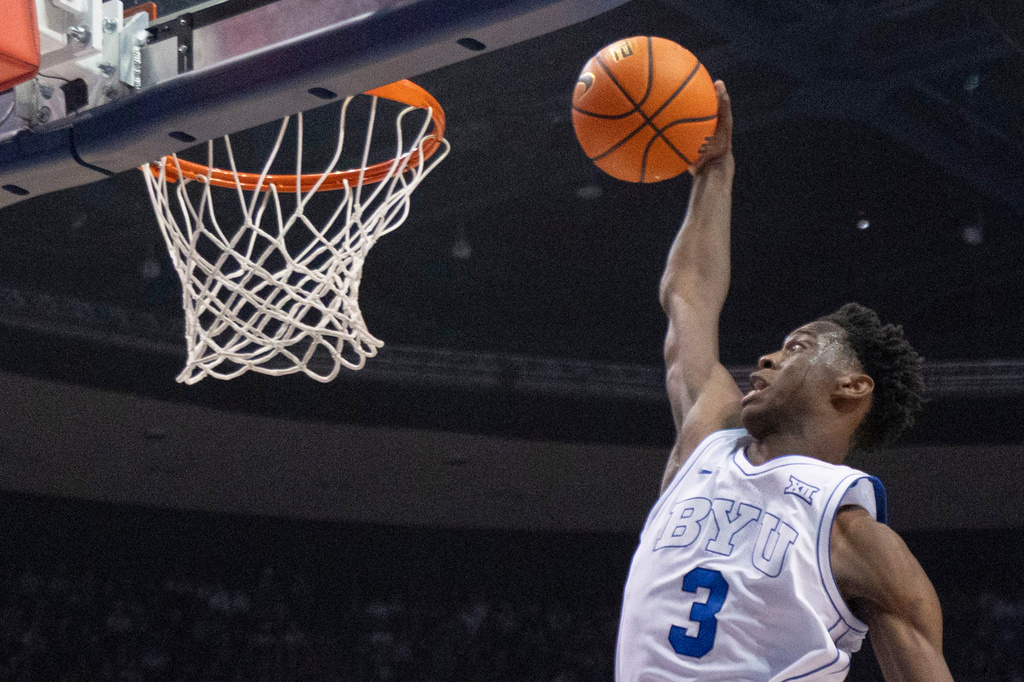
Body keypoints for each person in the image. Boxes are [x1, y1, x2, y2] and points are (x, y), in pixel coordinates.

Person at [615, 81, 953, 681]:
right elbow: (688, 298)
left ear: (852, 386)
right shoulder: (708, 438)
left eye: (797, 347)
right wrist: (713, 173)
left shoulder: (858, 540)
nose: (766, 360)